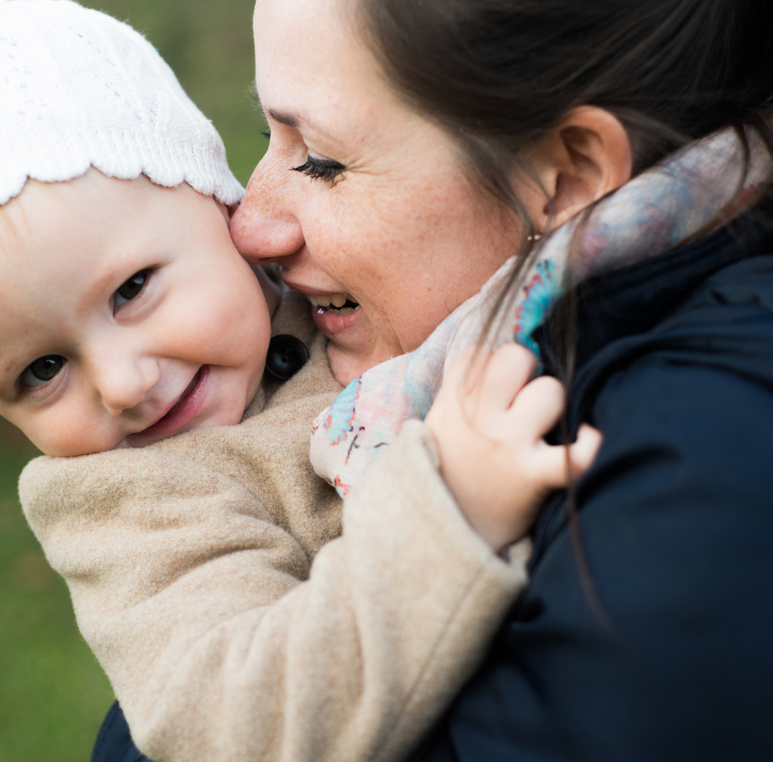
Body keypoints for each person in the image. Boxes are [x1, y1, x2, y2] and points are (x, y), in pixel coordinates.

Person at [0, 2, 596, 762]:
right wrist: (446, 516)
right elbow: (236, 729)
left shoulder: (341, 291)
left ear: (223, 209)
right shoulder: (134, 510)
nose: (124, 385)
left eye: (132, 290)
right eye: (41, 370)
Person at [223, 0, 773, 759]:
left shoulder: (703, 478)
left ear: (568, 175)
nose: (250, 227)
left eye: (320, 160)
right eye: (266, 135)